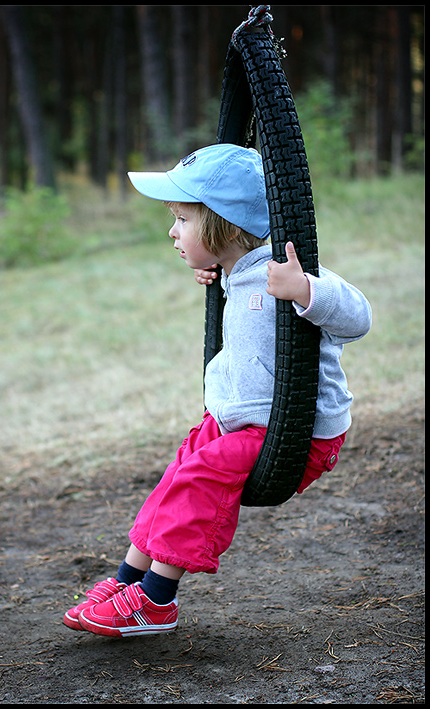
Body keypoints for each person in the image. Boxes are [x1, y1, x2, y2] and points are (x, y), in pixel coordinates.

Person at [63, 144, 372, 638]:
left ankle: (158, 599)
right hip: (240, 422)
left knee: (201, 475)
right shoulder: (237, 272)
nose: (172, 231)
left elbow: (359, 316)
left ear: (222, 224)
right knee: (179, 469)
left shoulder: (284, 273)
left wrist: (306, 291)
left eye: (182, 220)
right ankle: (128, 578)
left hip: (293, 434)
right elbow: (240, 286)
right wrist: (214, 271)